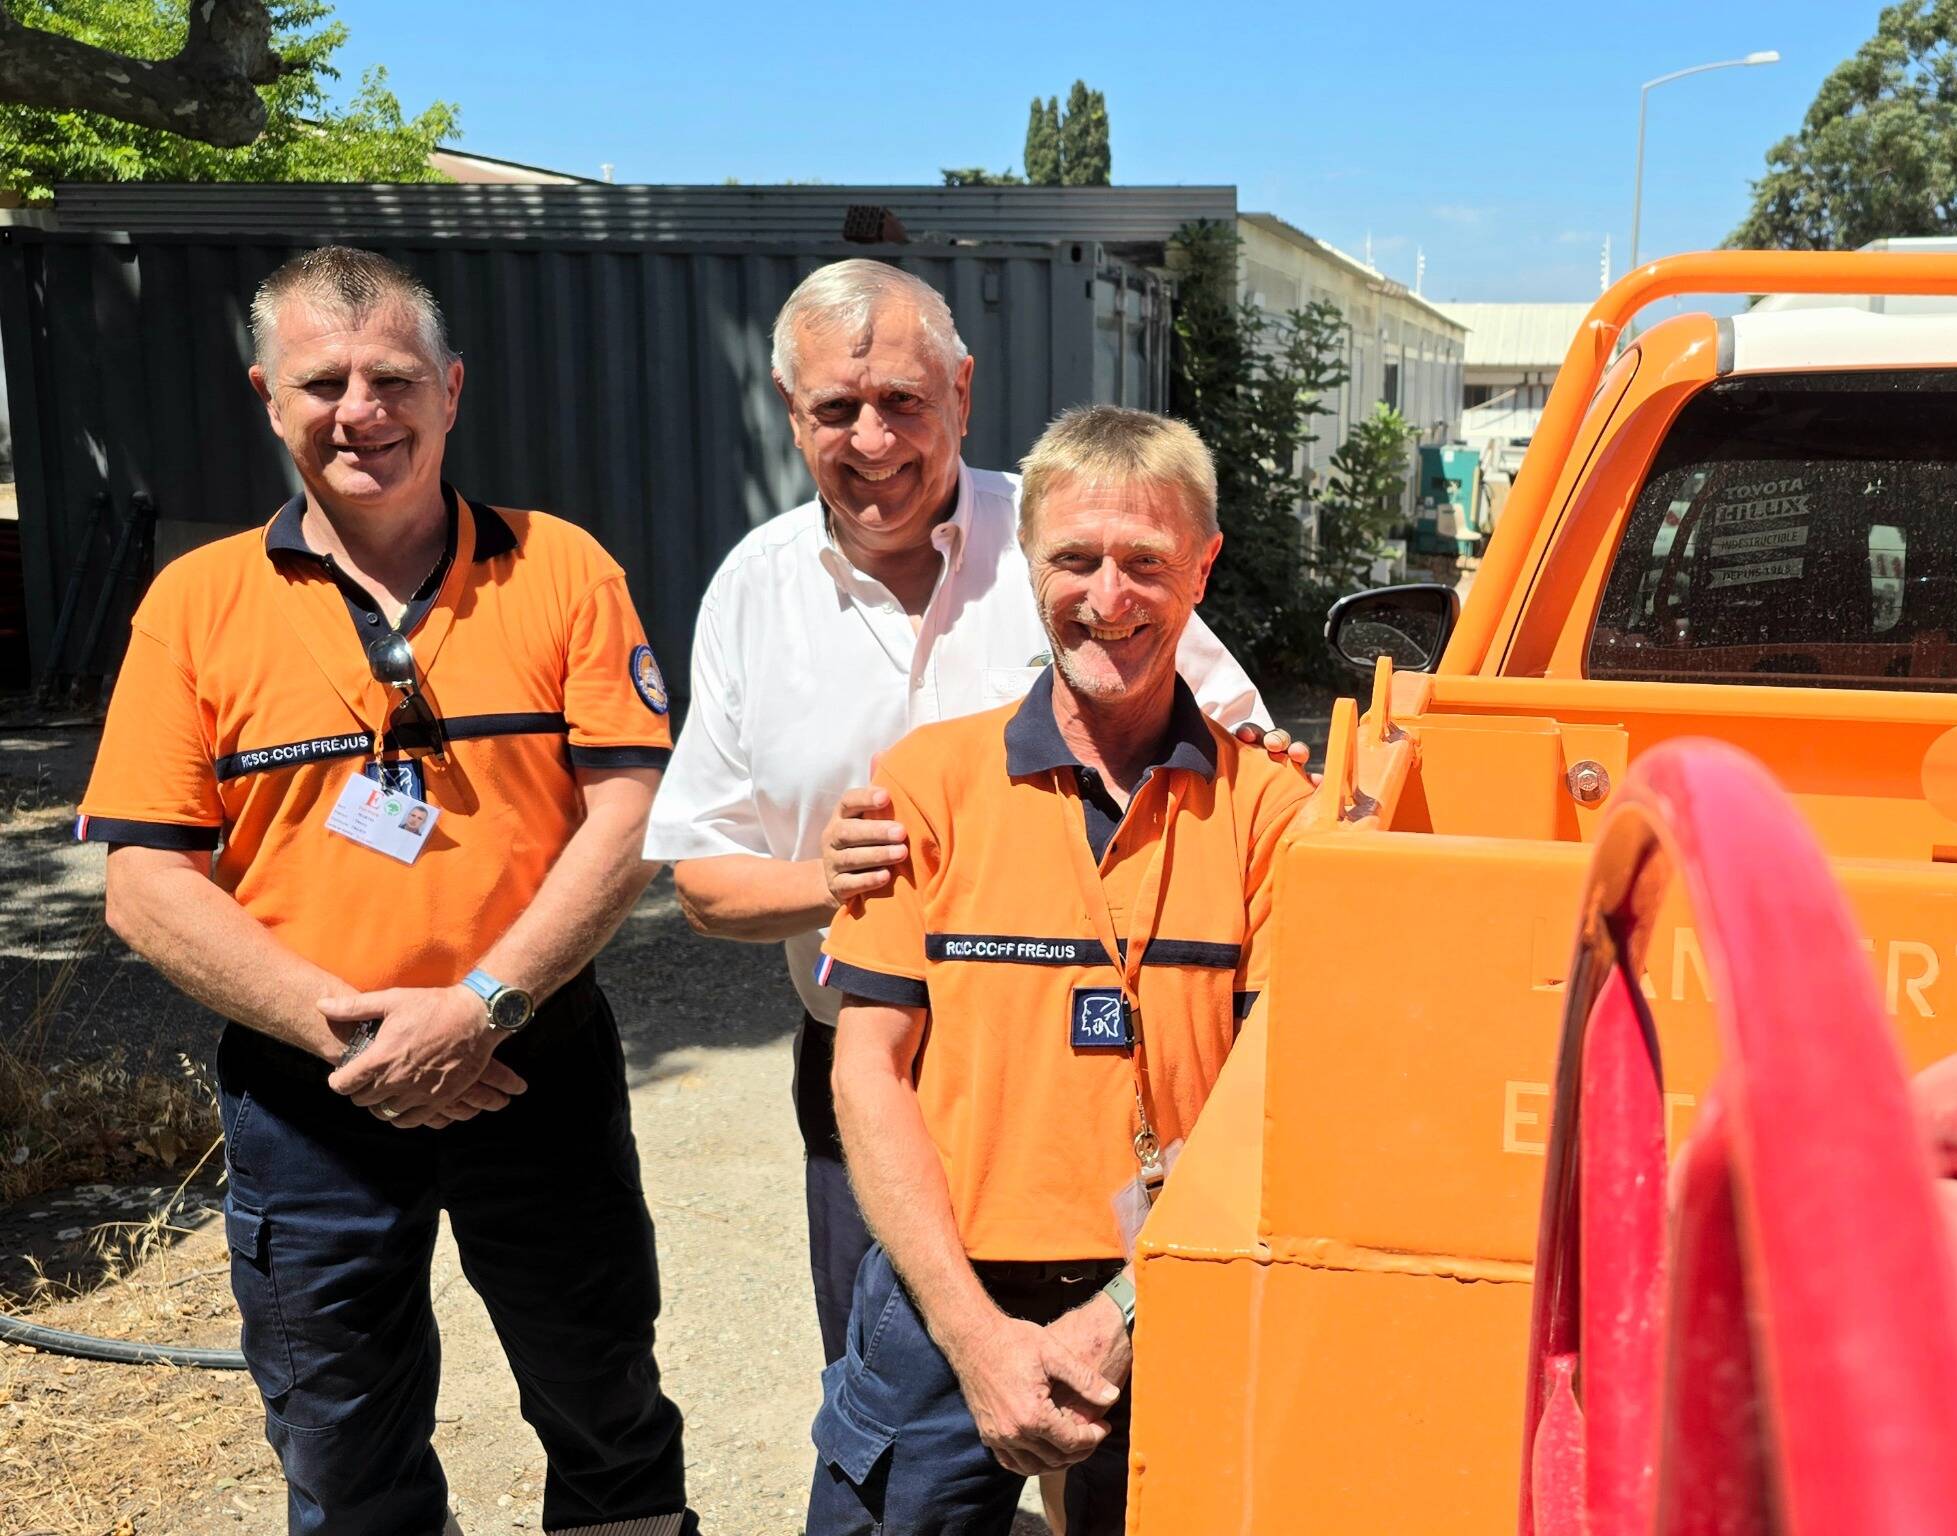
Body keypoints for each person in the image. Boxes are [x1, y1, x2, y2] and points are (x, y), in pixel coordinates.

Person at [76, 246, 697, 1536]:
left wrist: (480, 1007)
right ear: (266, 396)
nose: (361, 409)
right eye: (323, 382)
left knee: (603, 1401)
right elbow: (143, 881)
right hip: (312, 1094)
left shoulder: (561, 568)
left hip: (532, 1059)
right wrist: (355, 1034)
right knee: (343, 1438)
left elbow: (631, 815)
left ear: (453, 389)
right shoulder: (194, 606)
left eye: (394, 377)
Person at [643, 259, 1303, 1373]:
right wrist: (843, 881)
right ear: (789, 411)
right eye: (835, 409)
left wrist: (1283, 774)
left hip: (1094, 1069)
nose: (871, 440)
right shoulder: (754, 589)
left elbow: (1231, 758)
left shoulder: (1070, 540)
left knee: (1109, 1407)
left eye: (902, 401)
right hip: (876, 1063)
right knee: (908, 1406)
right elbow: (701, 881)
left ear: (961, 390)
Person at [807, 406, 1314, 1535]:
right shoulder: (926, 782)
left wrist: (1121, 1312)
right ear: (1027, 563)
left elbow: (1277, 1096)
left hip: (1182, 1297)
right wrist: (976, 1337)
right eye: (1073, 559)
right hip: (947, 1298)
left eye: (1145, 562)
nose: (1106, 597)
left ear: (1202, 566)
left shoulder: (1272, 810)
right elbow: (868, 1075)